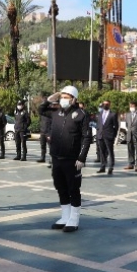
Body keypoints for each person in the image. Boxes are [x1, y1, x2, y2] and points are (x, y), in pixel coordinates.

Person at [39, 86, 91, 232]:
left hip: (72, 159)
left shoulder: (81, 115)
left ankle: (74, 219)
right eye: (62, 96)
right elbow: (41, 110)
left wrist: (82, 158)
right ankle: (65, 216)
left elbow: (87, 138)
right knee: (60, 187)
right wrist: (49, 99)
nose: (63, 99)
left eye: (66, 97)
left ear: (74, 99)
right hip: (56, 158)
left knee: (73, 189)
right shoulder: (56, 112)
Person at [96, 100, 118, 174]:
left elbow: (116, 126)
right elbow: (98, 124)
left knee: (110, 151)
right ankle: (103, 166)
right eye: (104, 104)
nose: (105, 105)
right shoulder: (99, 114)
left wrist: (113, 135)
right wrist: (98, 131)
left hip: (109, 136)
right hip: (100, 135)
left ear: (109, 105)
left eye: (107, 104)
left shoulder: (113, 114)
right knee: (102, 152)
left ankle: (111, 167)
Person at [123, 101, 137, 172]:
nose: (131, 107)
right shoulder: (127, 115)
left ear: (136, 107)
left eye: (132, 106)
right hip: (129, 135)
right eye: (130, 106)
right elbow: (127, 125)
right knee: (130, 150)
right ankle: (131, 164)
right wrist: (130, 131)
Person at [37, 96, 52, 163]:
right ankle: (42, 157)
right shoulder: (42, 113)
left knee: (51, 147)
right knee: (43, 146)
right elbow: (40, 121)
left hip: (49, 132)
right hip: (43, 131)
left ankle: (51, 159)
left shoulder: (50, 111)